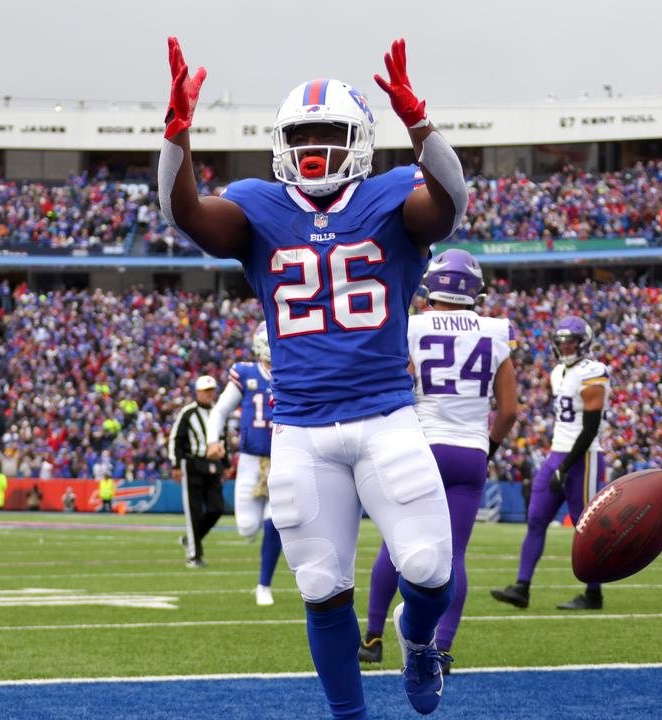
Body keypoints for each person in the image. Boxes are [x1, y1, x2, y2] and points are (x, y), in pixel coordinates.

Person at [160, 36, 468, 718]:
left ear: (358, 140)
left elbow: (450, 205)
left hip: (386, 415)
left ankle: (419, 644)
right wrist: (175, 139)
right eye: (303, 135)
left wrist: (423, 127)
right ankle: (349, 716)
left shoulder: (392, 196)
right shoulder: (257, 207)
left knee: (428, 570)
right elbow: (186, 216)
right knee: (323, 585)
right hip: (300, 428)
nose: (315, 148)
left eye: (330, 134)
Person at [360, 249, 519, 672]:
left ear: (433, 284)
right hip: (469, 452)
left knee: (395, 545)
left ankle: (373, 638)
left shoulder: (412, 325)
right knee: (455, 557)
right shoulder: (495, 330)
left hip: (423, 445)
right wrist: (488, 447)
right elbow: (509, 410)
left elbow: (397, 383)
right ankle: (441, 648)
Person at [492, 316, 610, 611]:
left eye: (571, 341)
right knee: (535, 518)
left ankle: (593, 594)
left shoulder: (593, 371)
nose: (566, 346)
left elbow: (590, 428)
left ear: (584, 343)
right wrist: (557, 461)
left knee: (586, 527)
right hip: (557, 453)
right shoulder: (557, 372)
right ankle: (522, 587)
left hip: (583, 456)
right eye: (562, 342)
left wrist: (566, 465)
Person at [207, 321, 283, 607]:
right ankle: (262, 524)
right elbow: (220, 410)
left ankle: (264, 584)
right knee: (247, 528)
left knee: (274, 521)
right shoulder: (247, 373)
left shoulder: (293, 372)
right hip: (251, 459)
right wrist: (213, 440)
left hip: (282, 458)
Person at [168, 375, 225, 569]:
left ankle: (191, 539)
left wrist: (225, 464)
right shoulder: (188, 413)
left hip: (213, 465)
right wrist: (176, 465)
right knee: (193, 511)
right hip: (192, 465)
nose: (210, 394)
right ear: (198, 392)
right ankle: (194, 555)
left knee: (217, 508)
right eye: (206, 391)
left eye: (212, 390)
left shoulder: (218, 412)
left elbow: (222, 439)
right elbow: (175, 438)